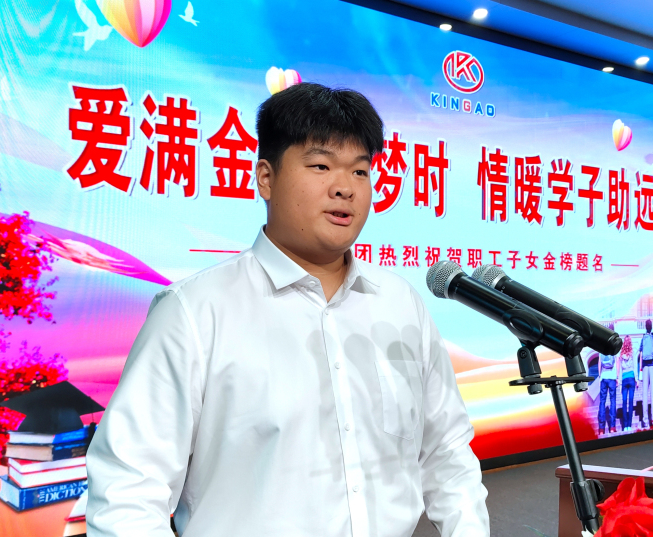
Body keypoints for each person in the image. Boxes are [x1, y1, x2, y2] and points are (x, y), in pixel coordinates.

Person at [86, 83, 490, 537]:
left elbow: (447, 453)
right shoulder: (194, 312)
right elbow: (128, 493)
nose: (345, 188)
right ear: (266, 177)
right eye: (321, 166)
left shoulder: (401, 304)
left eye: (360, 171)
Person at [596, 324, 619, 435]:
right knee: (613, 401)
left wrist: (600, 376)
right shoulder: (615, 344)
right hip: (612, 377)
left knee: (602, 401)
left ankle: (601, 429)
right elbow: (617, 362)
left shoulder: (602, 343)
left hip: (604, 377)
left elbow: (599, 362)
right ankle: (612, 427)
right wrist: (617, 377)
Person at [637, 320, 653, 428]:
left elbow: (641, 355)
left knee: (645, 394)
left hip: (645, 367)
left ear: (645, 327)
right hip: (652, 366)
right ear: (651, 327)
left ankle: (645, 420)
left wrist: (641, 369)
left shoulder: (643, 339)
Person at [619, 335, 636, 432]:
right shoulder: (632, 353)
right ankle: (629, 425)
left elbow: (621, 370)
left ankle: (625, 426)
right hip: (631, 378)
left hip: (624, 379)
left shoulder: (621, 355)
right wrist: (637, 380)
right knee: (631, 402)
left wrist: (620, 383)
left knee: (624, 402)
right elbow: (634, 367)